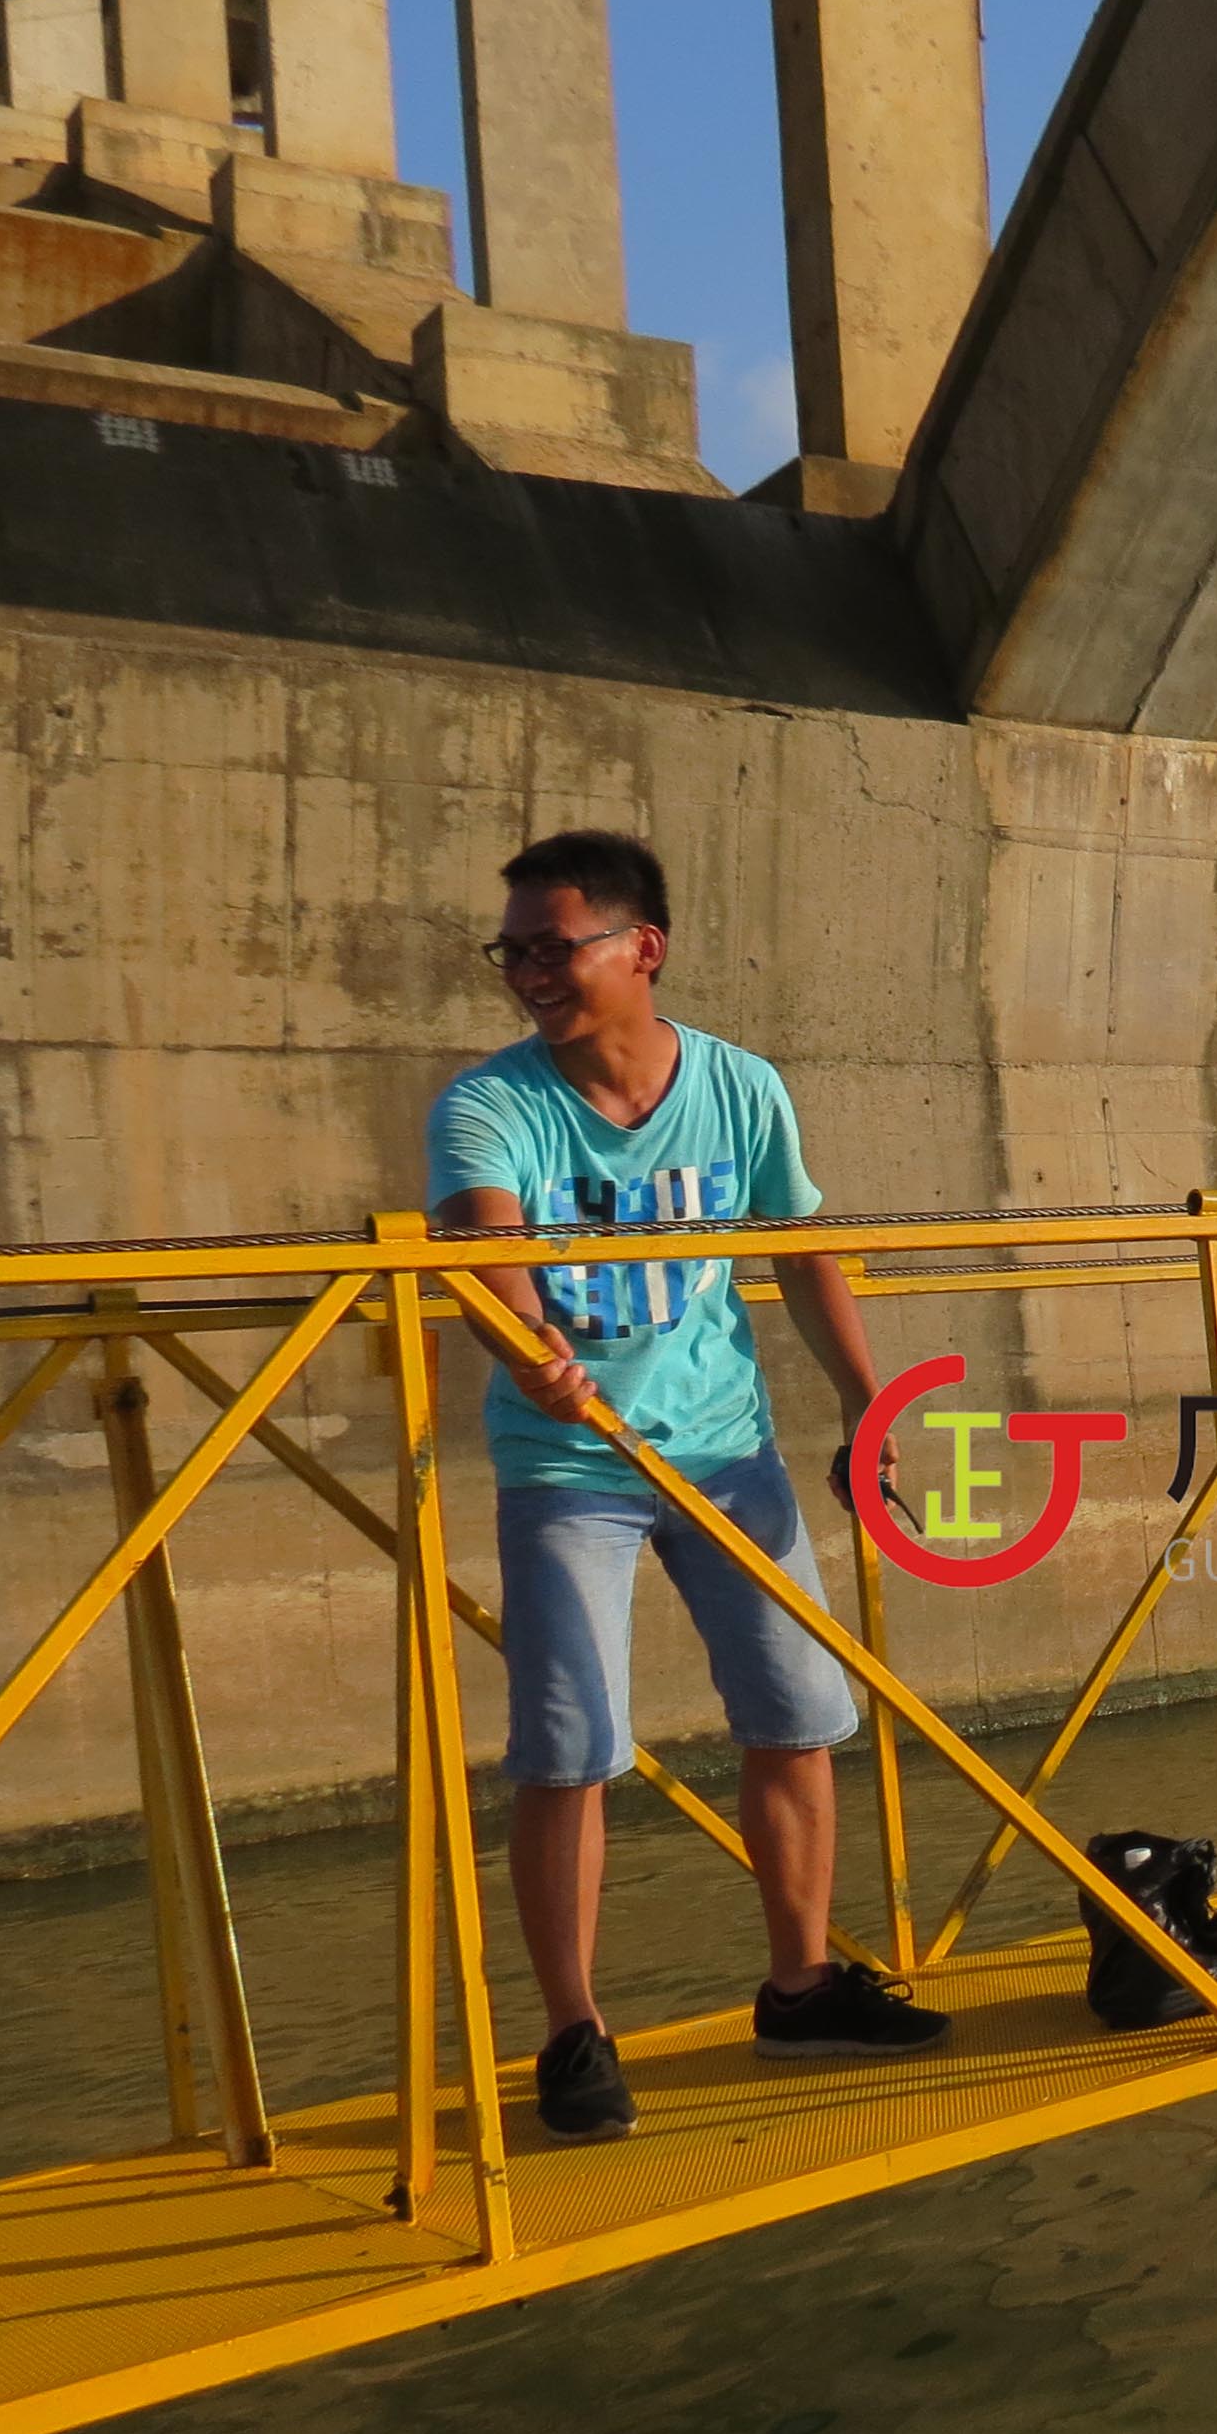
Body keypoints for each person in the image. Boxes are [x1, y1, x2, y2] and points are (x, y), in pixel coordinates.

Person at [426, 829, 949, 2145]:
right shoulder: (488, 1104)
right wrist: (525, 1338)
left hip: (727, 1451)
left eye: (559, 946)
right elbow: (486, 1248)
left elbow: (796, 1248)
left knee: (798, 1711)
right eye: (516, 953)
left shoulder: (739, 1089)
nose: (533, 973)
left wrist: (866, 1400)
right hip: (570, 1461)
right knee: (570, 1745)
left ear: (642, 946)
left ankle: (803, 1985)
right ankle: (572, 2034)